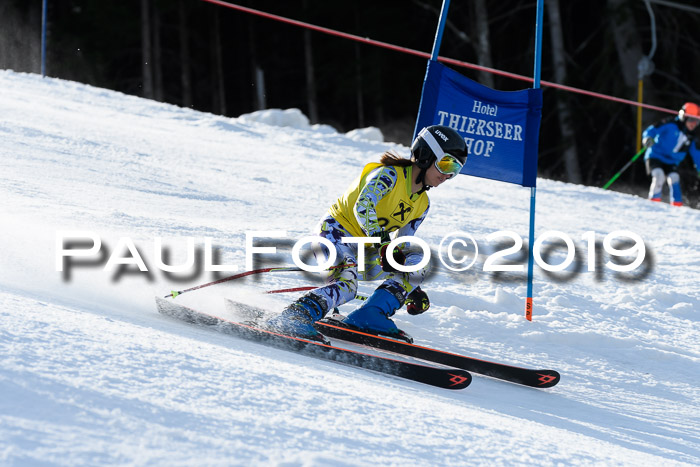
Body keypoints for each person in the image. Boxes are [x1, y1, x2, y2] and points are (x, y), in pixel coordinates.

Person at [266, 125, 468, 341]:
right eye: (446, 163)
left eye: (456, 170)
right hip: (334, 235)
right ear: (426, 155)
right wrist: (383, 243)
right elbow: (363, 207)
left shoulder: (422, 204)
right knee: (346, 287)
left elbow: (404, 245)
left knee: (419, 259)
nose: (448, 175)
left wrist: (409, 287)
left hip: (366, 253)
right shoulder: (389, 175)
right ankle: (295, 317)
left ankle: (371, 314)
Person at [642, 102, 700, 206]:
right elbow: (652, 130)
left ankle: (677, 207)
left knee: (674, 178)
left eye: (697, 121)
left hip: (671, 161)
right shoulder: (670, 124)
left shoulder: (691, 136)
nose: (694, 124)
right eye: (691, 120)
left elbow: (696, 154)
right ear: (684, 117)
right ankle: (653, 204)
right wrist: (647, 138)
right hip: (655, 155)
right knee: (659, 175)